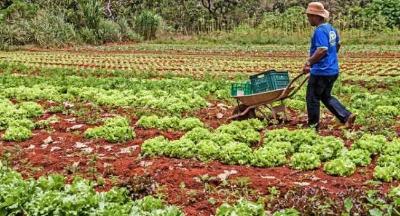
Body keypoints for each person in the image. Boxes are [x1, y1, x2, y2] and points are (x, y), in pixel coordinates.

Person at [303, 2, 355, 130]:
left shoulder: (320, 30)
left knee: (312, 97)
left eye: (309, 16)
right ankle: (346, 116)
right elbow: (337, 45)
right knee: (325, 96)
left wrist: (309, 62)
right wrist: (330, 59)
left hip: (321, 71)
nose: (308, 19)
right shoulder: (331, 29)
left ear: (316, 16)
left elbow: (322, 50)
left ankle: (313, 126)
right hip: (332, 70)